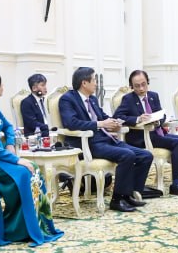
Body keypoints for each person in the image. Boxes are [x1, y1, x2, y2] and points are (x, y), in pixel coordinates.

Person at [0, 65, 62, 246]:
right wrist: (16, 159)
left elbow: (8, 126)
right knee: (24, 172)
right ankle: (16, 228)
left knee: (32, 169)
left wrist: (9, 144)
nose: (2, 85)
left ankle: (25, 227)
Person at [58, 67, 153, 212]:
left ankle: (129, 194)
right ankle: (117, 200)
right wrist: (100, 124)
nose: (96, 83)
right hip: (88, 144)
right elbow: (71, 123)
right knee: (127, 155)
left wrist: (115, 123)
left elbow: (103, 117)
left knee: (146, 155)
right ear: (84, 83)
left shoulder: (92, 99)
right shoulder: (67, 99)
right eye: (94, 80)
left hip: (105, 140)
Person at [114, 70, 178, 197]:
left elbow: (162, 115)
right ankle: (176, 185)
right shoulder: (128, 99)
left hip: (157, 132)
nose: (141, 88)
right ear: (131, 86)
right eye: (137, 86)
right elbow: (117, 116)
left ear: (148, 82)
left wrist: (158, 121)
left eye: (143, 84)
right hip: (142, 137)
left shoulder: (153, 96)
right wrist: (138, 119)